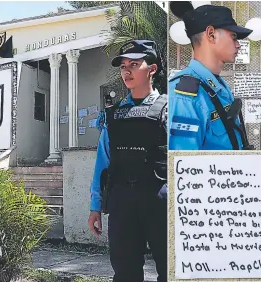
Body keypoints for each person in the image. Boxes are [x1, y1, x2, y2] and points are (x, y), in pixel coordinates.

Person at [87, 40, 168, 282]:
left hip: (160, 201)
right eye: (123, 66)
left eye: (134, 64)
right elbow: (102, 164)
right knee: (125, 273)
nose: (126, 71)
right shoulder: (113, 116)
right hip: (122, 202)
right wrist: (95, 206)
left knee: (171, 269)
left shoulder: (170, 109)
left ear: (151, 69)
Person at [168, 3, 254, 150]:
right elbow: (184, 165)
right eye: (233, 36)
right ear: (211, 34)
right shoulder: (186, 96)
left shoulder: (216, 84)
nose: (238, 44)